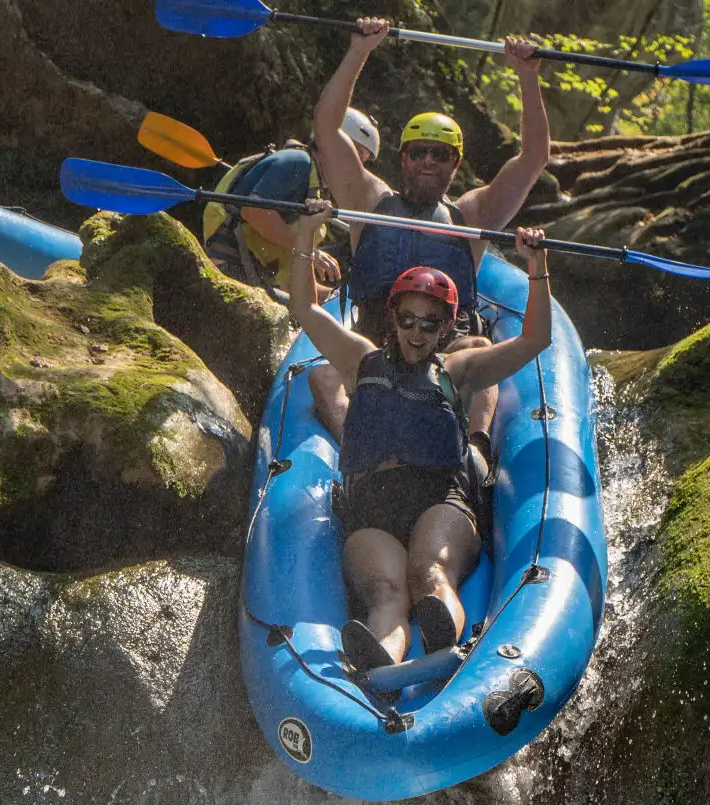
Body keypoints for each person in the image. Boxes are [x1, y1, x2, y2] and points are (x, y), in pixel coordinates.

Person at [286, 198, 554, 673]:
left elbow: (535, 340)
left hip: (438, 499)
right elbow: (305, 308)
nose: (416, 333)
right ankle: (379, 663)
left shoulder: (459, 369)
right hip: (372, 506)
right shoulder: (359, 359)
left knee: (430, 575)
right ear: (393, 317)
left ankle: (444, 638)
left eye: (430, 324)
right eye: (407, 320)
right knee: (386, 593)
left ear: (447, 326)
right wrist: (307, 232)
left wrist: (537, 266)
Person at [307, 19, 551, 474]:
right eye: (417, 152)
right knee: (322, 377)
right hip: (376, 347)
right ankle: (359, 454)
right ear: (402, 158)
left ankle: (473, 455)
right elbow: (326, 127)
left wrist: (527, 76)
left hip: (444, 351)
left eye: (439, 155)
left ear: (455, 164)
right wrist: (360, 49)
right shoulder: (367, 200)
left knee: (477, 343)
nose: (426, 162)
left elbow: (534, 156)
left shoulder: (474, 215)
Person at [202, 108, 381, 299]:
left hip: (250, 274)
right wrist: (309, 251)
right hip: (227, 267)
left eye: (362, 162)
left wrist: (339, 298)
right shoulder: (297, 162)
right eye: (355, 155)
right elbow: (254, 210)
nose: (357, 168)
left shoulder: (313, 190)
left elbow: (294, 286)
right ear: (331, 144)